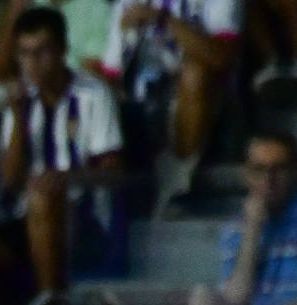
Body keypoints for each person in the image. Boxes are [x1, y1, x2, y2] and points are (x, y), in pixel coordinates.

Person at [0, 6, 124, 294]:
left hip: (84, 216)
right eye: (25, 54)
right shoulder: (19, 102)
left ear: (63, 50)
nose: (33, 63)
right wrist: (18, 119)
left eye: (42, 52)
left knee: (43, 198)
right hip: (22, 217)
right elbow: (9, 179)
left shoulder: (94, 94)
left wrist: (65, 179)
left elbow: (113, 171)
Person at [99, 0, 240, 204]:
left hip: (209, 100)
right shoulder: (128, 3)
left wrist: (161, 18)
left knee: (195, 74)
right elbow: (112, 72)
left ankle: (179, 181)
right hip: (144, 100)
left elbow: (220, 58)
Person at [189, 132, 297, 305]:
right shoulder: (236, 228)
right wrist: (252, 230)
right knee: (202, 297)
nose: (269, 179)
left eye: (279, 169)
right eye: (259, 170)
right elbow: (236, 299)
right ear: (247, 175)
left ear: (293, 172)